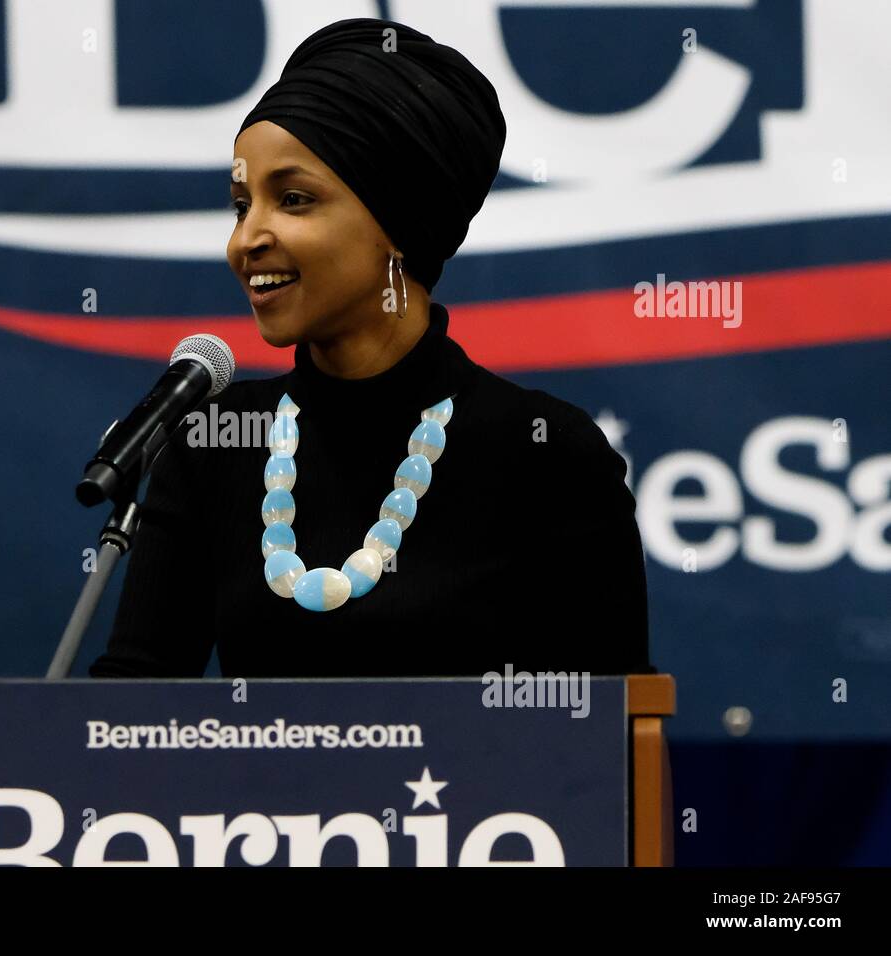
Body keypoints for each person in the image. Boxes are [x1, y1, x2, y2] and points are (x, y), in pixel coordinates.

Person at [89, 17, 652, 678]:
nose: (246, 241)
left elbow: (612, 749)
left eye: (293, 200)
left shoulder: (546, 454)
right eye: (242, 206)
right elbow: (126, 725)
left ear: (397, 222)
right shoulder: (212, 444)